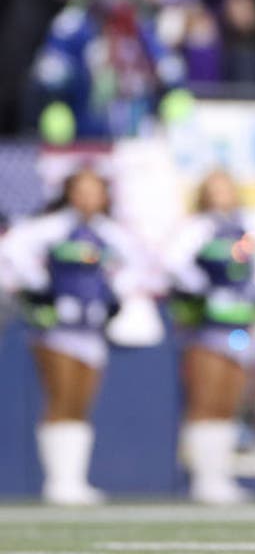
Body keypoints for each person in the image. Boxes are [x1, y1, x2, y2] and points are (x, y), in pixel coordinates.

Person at [0, 167, 152, 505]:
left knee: (82, 401)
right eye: (81, 190)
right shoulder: (53, 227)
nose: (87, 197)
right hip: (56, 327)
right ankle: (59, 481)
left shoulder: (110, 233)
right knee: (61, 397)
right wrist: (40, 286)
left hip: (92, 327)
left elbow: (140, 262)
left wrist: (115, 292)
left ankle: (73, 479)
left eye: (94, 190)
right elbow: (11, 249)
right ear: (69, 193)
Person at [165, 169, 255, 504]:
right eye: (214, 189)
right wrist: (203, 289)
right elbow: (173, 262)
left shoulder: (251, 225)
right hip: (206, 325)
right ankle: (205, 479)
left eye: (226, 187)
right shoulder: (196, 227)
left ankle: (219, 476)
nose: (221, 194)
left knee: (230, 400)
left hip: (243, 321)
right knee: (205, 398)